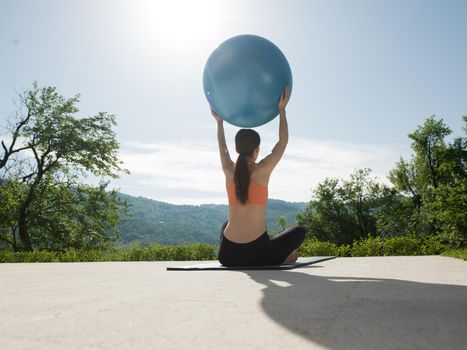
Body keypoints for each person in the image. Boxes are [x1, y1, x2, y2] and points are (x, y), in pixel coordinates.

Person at [211, 85, 306, 267]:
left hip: (228, 256)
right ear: (257, 150)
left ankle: (276, 254)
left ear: (237, 149)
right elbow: (283, 141)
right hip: (258, 253)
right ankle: (282, 256)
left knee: (227, 224)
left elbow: (222, 148)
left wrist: (219, 122)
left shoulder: (229, 170)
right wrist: (281, 110)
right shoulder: (263, 169)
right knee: (299, 232)